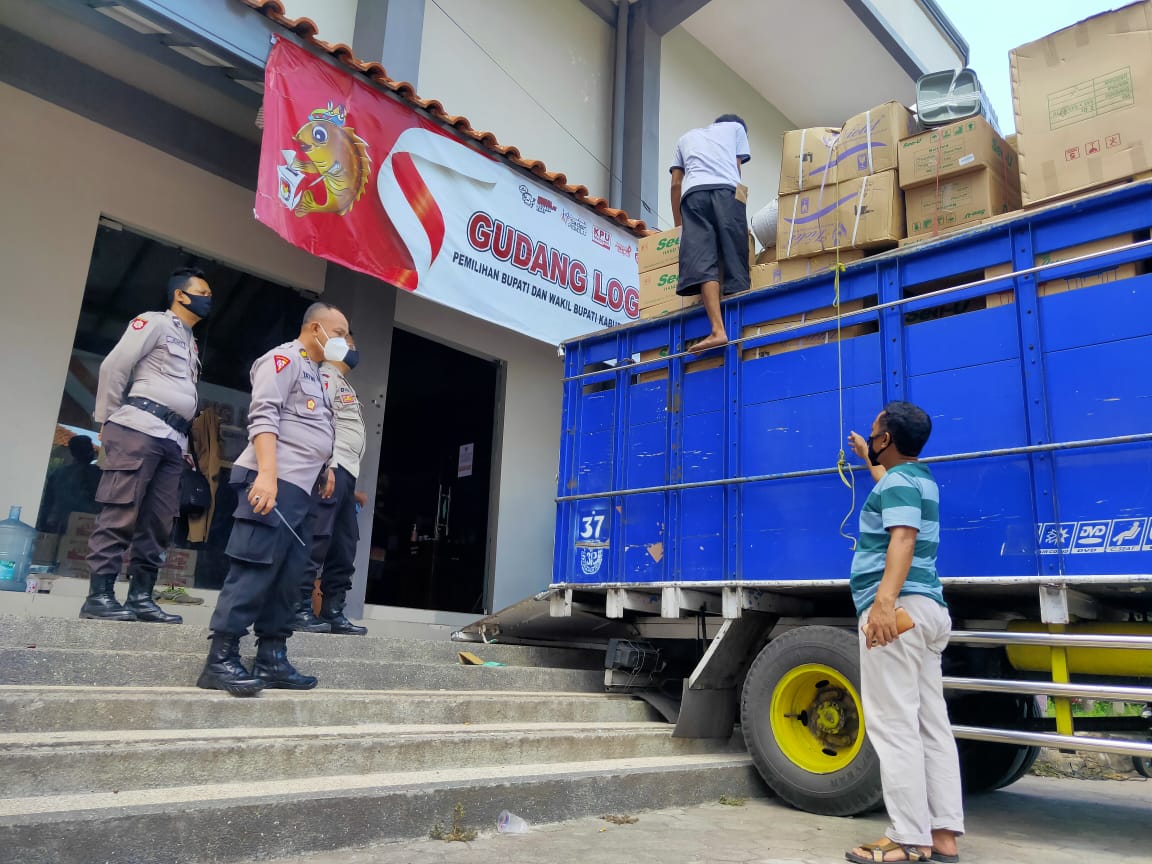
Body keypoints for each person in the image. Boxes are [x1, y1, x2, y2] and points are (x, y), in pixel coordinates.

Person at [197, 302, 349, 697]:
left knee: (289, 578)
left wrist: (326, 466)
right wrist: (266, 475)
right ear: (316, 328)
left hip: (300, 491)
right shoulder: (282, 360)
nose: (345, 342)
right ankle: (220, 659)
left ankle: (272, 657)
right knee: (253, 569)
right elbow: (264, 416)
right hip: (272, 483)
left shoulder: (316, 375)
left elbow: (310, 429)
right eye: (340, 332)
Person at [844, 402, 963, 864]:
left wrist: (882, 604)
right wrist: (867, 461)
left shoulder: (898, 483)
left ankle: (908, 838)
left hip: (900, 614)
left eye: (874, 433)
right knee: (932, 725)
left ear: (887, 439)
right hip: (929, 611)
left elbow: (903, 537)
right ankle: (944, 835)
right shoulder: (918, 479)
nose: (871, 437)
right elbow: (888, 488)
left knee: (894, 726)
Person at [81, 267, 211, 624]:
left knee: (159, 520)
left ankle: (141, 597)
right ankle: (100, 596)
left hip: (173, 440)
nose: (208, 299)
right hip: (139, 428)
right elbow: (114, 366)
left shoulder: (190, 341)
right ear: (180, 295)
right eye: (202, 292)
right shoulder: (153, 322)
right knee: (121, 511)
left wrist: (183, 443)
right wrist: (106, 422)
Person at [293, 333, 370, 636]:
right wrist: (329, 466)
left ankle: (333, 610)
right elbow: (319, 423)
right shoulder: (324, 378)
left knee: (343, 545)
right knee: (317, 539)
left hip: (346, 476)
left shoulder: (342, 382)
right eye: (351, 345)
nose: (355, 350)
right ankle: (299, 608)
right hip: (331, 469)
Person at [669, 114, 751, 354]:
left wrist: (679, 225)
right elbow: (736, 170)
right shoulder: (737, 128)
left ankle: (718, 330)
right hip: (726, 192)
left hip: (692, 195)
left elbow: (675, 184)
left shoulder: (685, 137)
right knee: (735, 259)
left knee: (704, 262)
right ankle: (741, 328)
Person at [39, 435, 102, 534]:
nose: (93, 452)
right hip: (83, 529)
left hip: (57, 527)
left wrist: (42, 527)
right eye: (90, 449)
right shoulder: (98, 474)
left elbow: (47, 505)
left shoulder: (58, 474)